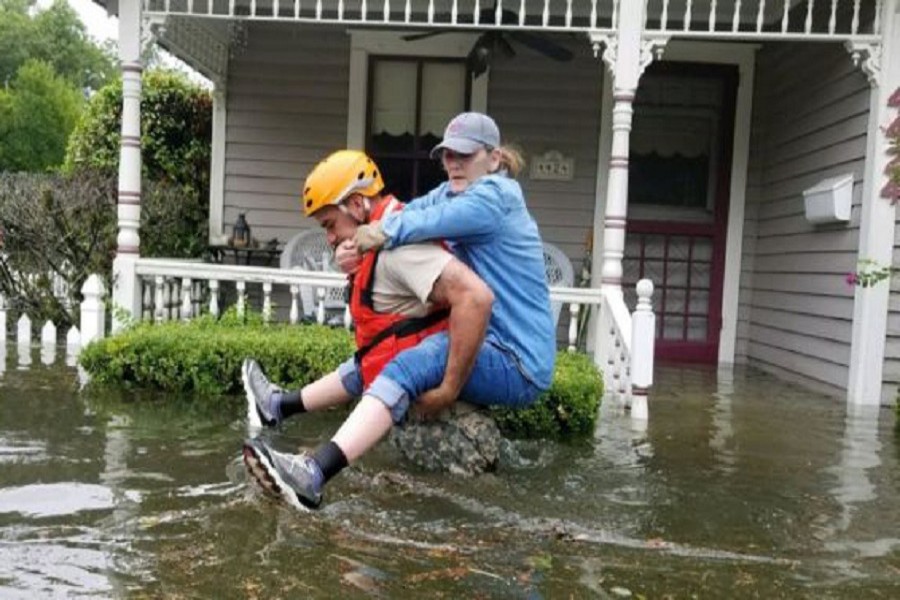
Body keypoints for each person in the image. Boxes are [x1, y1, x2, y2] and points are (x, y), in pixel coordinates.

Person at [244, 113, 555, 509]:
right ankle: (278, 406)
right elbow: (407, 212)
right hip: (491, 341)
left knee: (407, 365)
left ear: (494, 159)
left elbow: (430, 226)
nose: (454, 164)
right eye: (447, 156)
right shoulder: (451, 191)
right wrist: (354, 242)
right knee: (388, 349)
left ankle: (314, 474)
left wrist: (448, 390)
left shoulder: (497, 197)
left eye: (465, 155)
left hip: (518, 360)